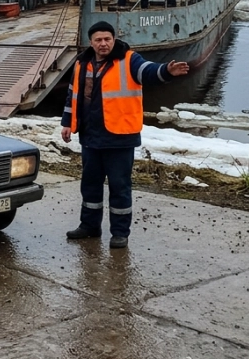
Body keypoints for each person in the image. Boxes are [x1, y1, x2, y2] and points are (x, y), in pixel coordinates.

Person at [61, 21, 189, 248]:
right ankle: (89, 226)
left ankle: (120, 232)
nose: (103, 44)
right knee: (90, 185)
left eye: (107, 39)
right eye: (98, 40)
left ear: (114, 39)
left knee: (120, 186)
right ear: (91, 42)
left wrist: (166, 71)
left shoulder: (129, 59)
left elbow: (147, 71)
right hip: (91, 136)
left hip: (120, 136)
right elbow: (74, 95)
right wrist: (67, 123)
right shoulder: (83, 63)